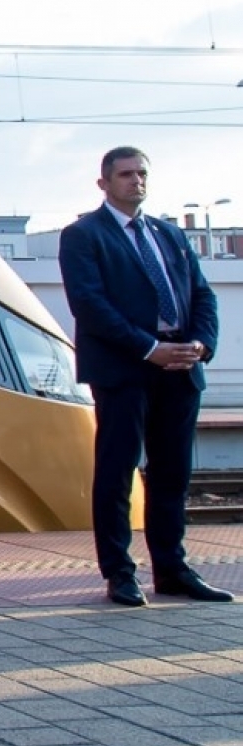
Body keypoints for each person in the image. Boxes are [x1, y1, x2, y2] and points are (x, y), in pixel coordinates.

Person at [58, 146, 229, 607]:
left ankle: (172, 570)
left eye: (142, 174)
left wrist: (200, 344)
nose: (137, 181)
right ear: (104, 184)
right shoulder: (82, 236)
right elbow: (90, 306)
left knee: (173, 474)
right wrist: (149, 348)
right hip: (125, 370)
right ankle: (119, 573)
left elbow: (203, 295)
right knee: (116, 473)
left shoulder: (170, 235)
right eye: (127, 175)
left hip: (180, 368)